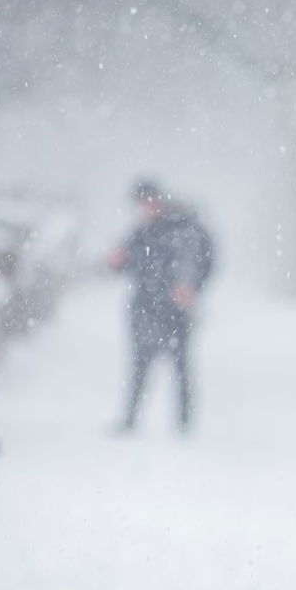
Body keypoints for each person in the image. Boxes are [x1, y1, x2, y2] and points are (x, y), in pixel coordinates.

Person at [107, 179, 214, 433]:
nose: (145, 208)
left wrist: (188, 287)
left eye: (148, 201)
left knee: (180, 368)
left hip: (175, 313)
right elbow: (125, 264)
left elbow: (195, 264)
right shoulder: (141, 232)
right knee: (139, 367)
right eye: (140, 203)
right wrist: (115, 261)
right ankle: (131, 419)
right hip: (144, 309)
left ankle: (184, 423)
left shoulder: (182, 230)